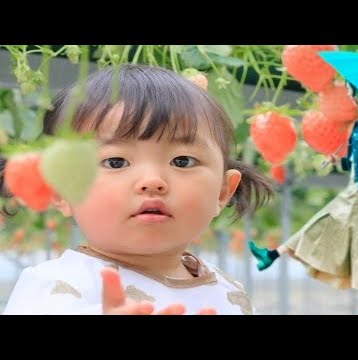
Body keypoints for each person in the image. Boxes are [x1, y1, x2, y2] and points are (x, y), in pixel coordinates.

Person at [1, 64, 273, 315]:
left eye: (182, 161)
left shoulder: (230, 291)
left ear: (223, 192)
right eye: (115, 162)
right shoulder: (57, 286)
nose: (152, 181)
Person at [248, 85, 358, 315]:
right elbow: (357, 158)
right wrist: (338, 162)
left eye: (351, 91)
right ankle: (272, 255)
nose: (348, 95)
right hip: (357, 182)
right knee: (325, 223)